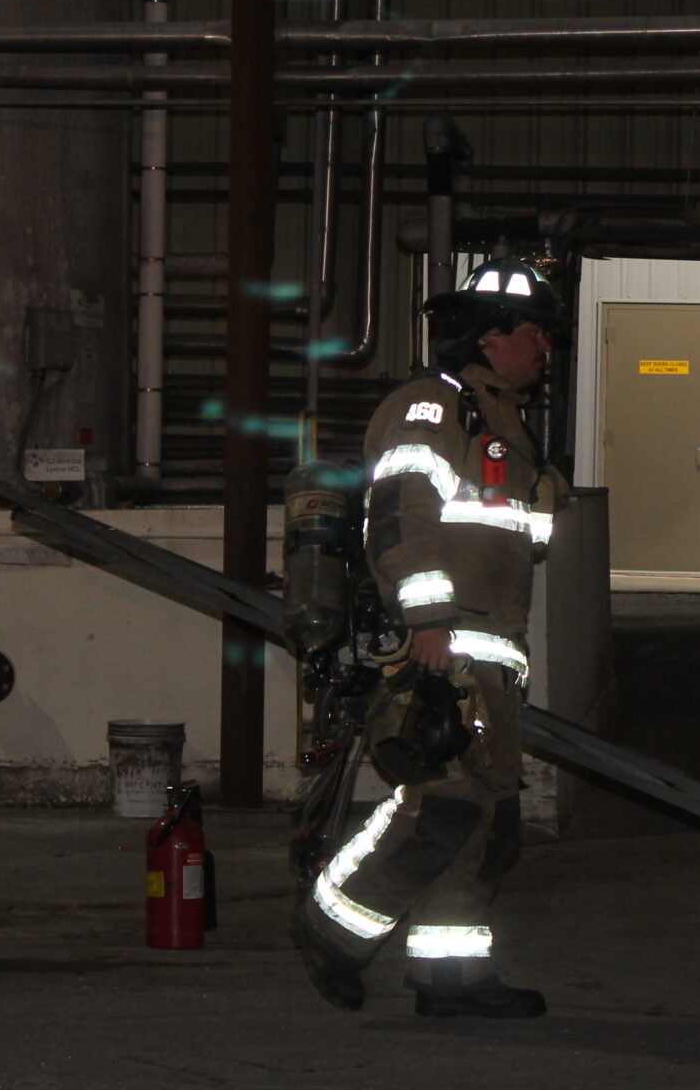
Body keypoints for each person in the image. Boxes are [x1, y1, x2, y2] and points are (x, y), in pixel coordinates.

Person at [293, 258, 569, 1019]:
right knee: (442, 808)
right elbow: (400, 519)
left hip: (490, 649)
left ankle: (451, 976)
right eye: (536, 333)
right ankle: (331, 928)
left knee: (488, 821)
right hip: (443, 645)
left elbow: (519, 538)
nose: (546, 348)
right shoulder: (431, 407)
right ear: (491, 336)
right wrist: (428, 622)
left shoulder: (504, 422)